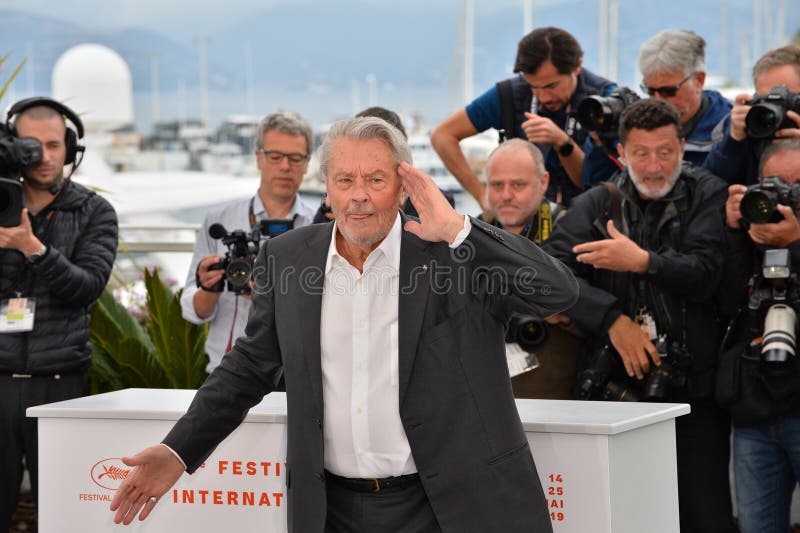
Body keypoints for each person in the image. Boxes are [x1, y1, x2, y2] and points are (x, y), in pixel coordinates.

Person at [110, 116, 579, 532]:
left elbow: (558, 293)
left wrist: (459, 228)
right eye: (344, 179)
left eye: (375, 179)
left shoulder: (453, 253)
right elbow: (249, 367)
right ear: (327, 190)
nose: (359, 196)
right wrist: (177, 451)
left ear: (403, 185)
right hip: (333, 511)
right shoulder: (287, 258)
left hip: (453, 506)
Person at [543, 99, 735, 532]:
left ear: (683, 147)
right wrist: (612, 321)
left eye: (665, 152)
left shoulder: (708, 192)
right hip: (618, 392)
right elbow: (549, 273)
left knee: (706, 516)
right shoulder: (598, 202)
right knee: (625, 516)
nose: (653, 166)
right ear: (622, 153)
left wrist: (643, 261)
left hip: (695, 393)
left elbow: (706, 275)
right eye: (641, 153)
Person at [0, 97, 118, 530]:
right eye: (32, 146)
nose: (44, 157)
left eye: (54, 145)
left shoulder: (94, 211)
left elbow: (86, 289)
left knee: (64, 511)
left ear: (70, 147)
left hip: (59, 383)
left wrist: (32, 248)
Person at [181, 110, 316, 374]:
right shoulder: (219, 220)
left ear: (307, 162)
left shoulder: (318, 225)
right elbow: (194, 311)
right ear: (258, 158)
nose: (285, 166)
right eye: (275, 156)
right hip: (226, 370)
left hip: (296, 372)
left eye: (295, 158)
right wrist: (210, 287)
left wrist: (272, 294)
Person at [431, 26, 617, 209]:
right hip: (526, 225)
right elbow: (442, 136)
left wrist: (562, 142)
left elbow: (590, 183)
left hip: (590, 218)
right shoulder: (510, 94)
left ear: (577, 67)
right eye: (534, 87)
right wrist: (481, 195)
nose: (543, 97)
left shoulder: (604, 101)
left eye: (551, 86)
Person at [716, 138, 800, 533]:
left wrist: (795, 245)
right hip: (755, 410)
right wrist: (734, 233)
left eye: (797, 184)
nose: (784, 196)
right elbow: (724, 303)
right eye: (774, 185)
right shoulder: (748, 232)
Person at [482, 138, 582, 399]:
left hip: (559, 397)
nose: (506, 195)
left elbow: (587, 304)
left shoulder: (571, 229)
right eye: (497, 185)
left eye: (518, 185)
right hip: (489, 395)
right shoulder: (471, 234)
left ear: (544, 182)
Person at [703, 45, 800, 185]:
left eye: (787, 98)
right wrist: (732, 142)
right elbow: (710, 190)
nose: (776, 108)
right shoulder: (747, 127)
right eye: (767, 98)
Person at [637, 29, 731, 166]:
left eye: (668, 91)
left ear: (699, 80)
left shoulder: (730, 129)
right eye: (649, 90)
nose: (657, 101)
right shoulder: (635, 127)